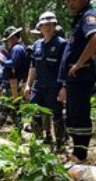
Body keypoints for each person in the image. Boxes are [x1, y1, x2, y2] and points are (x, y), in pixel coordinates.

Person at [57, 0, 96, 163]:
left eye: (72, 0)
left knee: (80, 116)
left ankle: (81, 155)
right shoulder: (79, 18)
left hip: (81, 77)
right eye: (67, 1)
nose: (69, 3)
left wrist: (79, 63)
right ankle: (77, 152)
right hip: (74, 79)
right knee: (73, 116)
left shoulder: (88, 16)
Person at [24, 11, 68, 152]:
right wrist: (28, 85)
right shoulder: (37, 45)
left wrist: (64, 87)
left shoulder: (62, 44)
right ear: (40, 27)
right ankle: (38, 142)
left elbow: (66, 67)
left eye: (50, 25)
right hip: (39, 86)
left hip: (54, 86)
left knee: (56, 114)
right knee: (35, 112)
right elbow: (33, 67)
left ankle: (60, 144)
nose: (47, 28)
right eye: (44, 25)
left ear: (55, 26)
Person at [0, 26, 29, 129]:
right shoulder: (16, 48)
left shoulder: (17, 48)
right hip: (11, 83)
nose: (6, 42)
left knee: (5, 104)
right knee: (13, 106)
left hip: (14, 84)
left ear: (12, 38)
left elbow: (14, 63)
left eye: (7, 40)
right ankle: (17, 127)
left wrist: (2, 61)